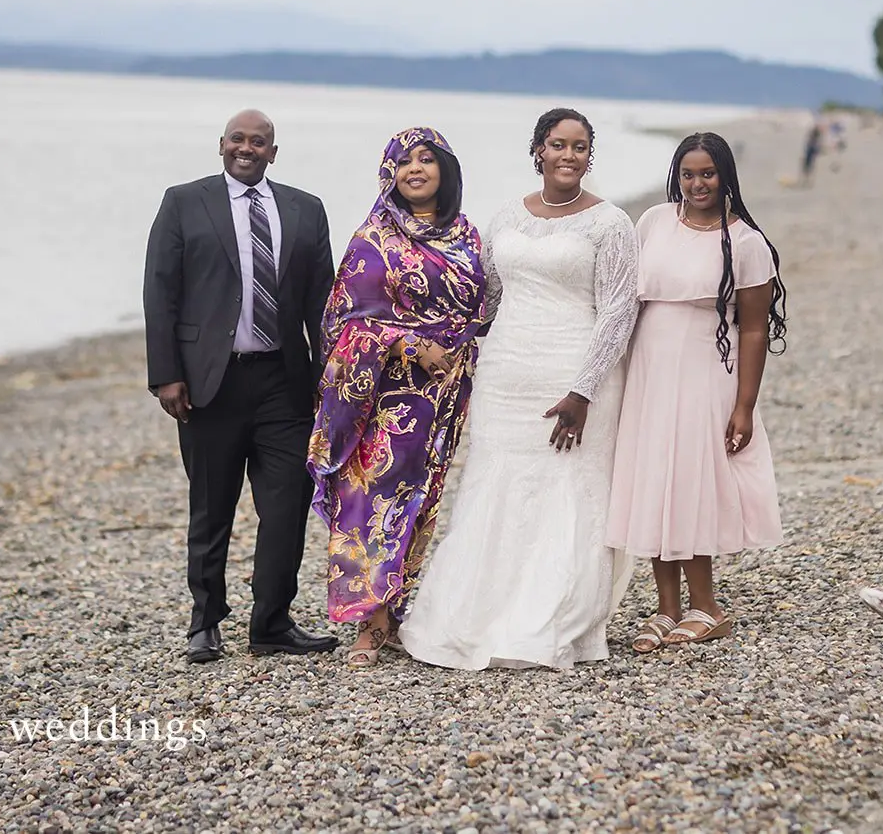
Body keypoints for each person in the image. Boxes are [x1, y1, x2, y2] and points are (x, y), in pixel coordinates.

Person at [399, 108, 640, 670]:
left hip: (574, 375)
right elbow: (486, 298)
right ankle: (471, 617)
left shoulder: (611, 225)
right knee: (495, 488)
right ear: (538, 151)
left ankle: (547, 621)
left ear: (589, 156)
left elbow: (618, 311)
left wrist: (583, 389)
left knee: (566, 493)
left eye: (579, 147)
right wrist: (429, 337)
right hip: (505, 374)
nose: (568, 155)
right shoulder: (508, 216)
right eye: (557, 144)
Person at [143, 109, 340, 664]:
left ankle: (272, 623)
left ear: (273, 152)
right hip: (211, 384)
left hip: (285, 383)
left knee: (286, 509)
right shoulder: (184, 201)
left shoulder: (305, 209)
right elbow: (160, 291)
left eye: (259, 142)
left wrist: (329, 379)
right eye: (238, 139)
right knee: (211, 507)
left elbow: (321, 302)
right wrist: (166, 375)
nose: (247, 148)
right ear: (221, 145)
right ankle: (204, 622)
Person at [308, 129, 489, 669]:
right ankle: (368, 621)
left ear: (445, 170)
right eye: (403, 161)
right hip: (380, 396)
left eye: (426, 159)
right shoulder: (372, 240)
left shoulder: (468, 236)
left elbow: (482, 308)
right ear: (389, 173)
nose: (415, 169)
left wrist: (457, 348)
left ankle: (395, 608)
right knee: (371, 498)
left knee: (422, 500)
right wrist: (409, 342)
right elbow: (345, 325)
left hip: (445, 392)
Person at [608, 132, 786, 652]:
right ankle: (666, 608)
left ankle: (706, 605)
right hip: (648, 369)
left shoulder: (747, 243)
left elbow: (753, 329)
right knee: (654, 479)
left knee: (687, 481)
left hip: (706, 371)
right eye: (688, 174)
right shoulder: (654, 222)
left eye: (707, 173)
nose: (697, 183)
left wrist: (745, 406)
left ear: (725, 176)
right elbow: (627, 300)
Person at [800, 122, 823, 186]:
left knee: (807, 166)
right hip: (811, 151)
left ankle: (807, 181)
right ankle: (807, 181)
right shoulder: (816, 140)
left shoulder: (814, 139)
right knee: (809, 166)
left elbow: (811, 146)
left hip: (810, 151)